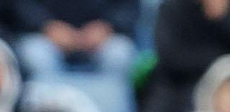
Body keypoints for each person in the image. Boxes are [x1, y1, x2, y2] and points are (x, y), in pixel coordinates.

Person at [11, 0, 140, 78]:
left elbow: (128, 7)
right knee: (35, 54)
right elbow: (22, 5)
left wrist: (108, 25)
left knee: (119, 54)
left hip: (103, 36)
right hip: (46, 35)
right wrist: (45, 25)